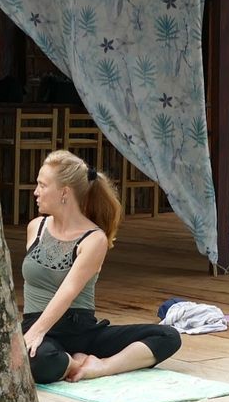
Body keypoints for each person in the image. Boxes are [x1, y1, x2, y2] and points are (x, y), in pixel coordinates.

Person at [20, 150, 182, 383]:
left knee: (167, 335)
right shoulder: (36, 227)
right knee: (40, 362)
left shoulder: (94, 239)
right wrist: (35, 331)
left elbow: (68, 290)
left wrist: (37, 331)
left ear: (64, 192)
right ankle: (74, 362)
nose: (36, 192)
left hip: (81, 330)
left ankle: (100, 367)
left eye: (42, 185)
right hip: (39, 328)